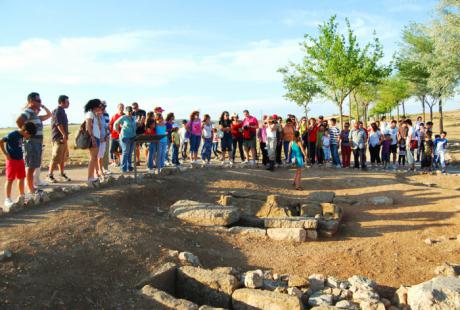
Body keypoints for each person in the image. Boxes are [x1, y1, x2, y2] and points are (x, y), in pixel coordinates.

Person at [16, 92, 52, 195]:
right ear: (31, 101)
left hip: (36, 143)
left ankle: (32, 187)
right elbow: (19, 120)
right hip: (31, 143)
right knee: (31, 166)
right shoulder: (29, 111)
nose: (40, 103)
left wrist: (42, 106)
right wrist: (24, 133)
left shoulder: (34, 115)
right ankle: (31, 189)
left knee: (33, 166)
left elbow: (49, 115)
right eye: (38, 101)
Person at [1, 122, 37, 208]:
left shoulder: (21, 136)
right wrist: (5, 154)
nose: (29, 137)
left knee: (21, 178)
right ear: (26, 131)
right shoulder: (12, 135)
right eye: (29, 135)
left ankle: (22, 196)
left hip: (20, 159)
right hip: (12, 160)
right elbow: (1, 141)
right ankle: (7, 199)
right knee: (10, 179)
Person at [47, 95, 71, 183]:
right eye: (67, 102)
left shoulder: (63, 111)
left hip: (63, 138)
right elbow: (58, 124)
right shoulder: (57, 111)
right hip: (58, 138)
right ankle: (49, 175)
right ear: (61, 102)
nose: (69, 103)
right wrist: (64, 134)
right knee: (55, 157)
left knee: (62, 157)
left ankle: (61, 174)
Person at [113, 106, 136, 173]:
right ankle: (123, 168)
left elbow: (135, 126)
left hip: (133, 137)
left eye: (131, 111)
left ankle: (129, 167)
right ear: (126, 112)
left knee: (130, 152)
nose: (130, 112)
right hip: (125, 137)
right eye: (128, 111)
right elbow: (115, 123)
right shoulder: (123, 117)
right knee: (125, 152)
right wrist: (118, 131)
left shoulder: (133, 118)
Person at [84, 99, 102, 184]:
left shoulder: (94, 114)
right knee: (92, 158)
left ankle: (93, 175)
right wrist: (92, 137)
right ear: (95, 106)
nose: (100, 107)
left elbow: (99, 127)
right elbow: (88, 126)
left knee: (94, 157)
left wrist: (98, 117)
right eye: (99, 105)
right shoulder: (90, 114)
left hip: (97, 137)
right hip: (93, 137)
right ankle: (89, 177)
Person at [96, 102, 110, 180]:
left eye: (104, 107)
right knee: (96, 156)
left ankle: (101, 170)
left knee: (101, 156)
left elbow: (105, 126)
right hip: (98, 138)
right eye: (101, 107)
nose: (103, 109)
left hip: (104, 138)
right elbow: (96, 127)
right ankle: (97, 171)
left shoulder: (103, 116)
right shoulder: (96, 116)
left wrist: (107, 135)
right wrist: (100, 136)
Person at [109, 103, 124, 167]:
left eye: (122, 107)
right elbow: (110, 125)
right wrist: (110, 132)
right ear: (117, 108)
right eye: (120, 107)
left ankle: (121, 162)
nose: (121, 108)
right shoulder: (114, 116)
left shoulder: (125, 116)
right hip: (114, 136)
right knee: (112, 150)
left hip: (122, 136)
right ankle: (119, 160)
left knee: (121, 150)